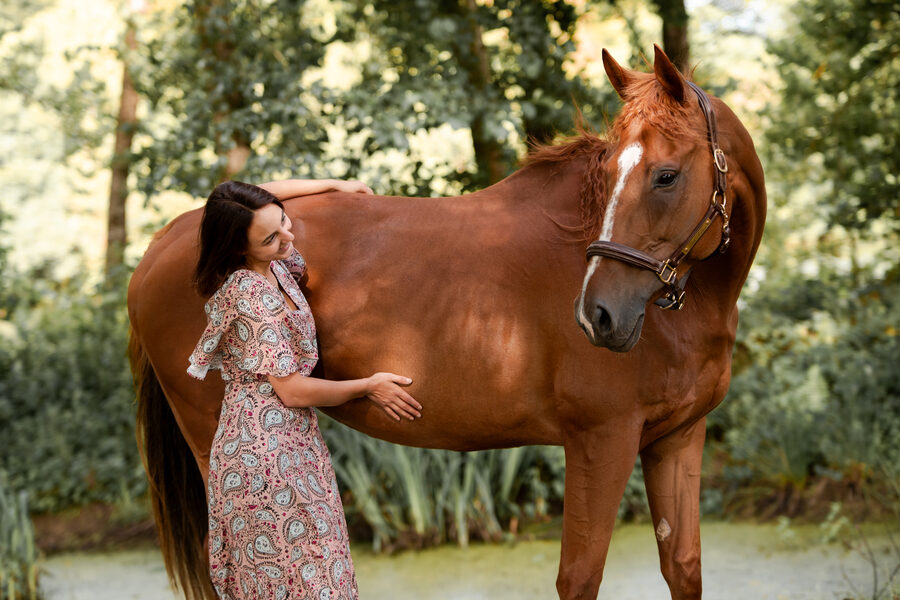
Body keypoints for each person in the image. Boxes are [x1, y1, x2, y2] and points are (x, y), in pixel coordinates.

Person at [186, 179, 422, 600]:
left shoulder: (275, 264)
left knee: (322, 569)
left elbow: (254, 194)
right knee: (302, 582)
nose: (288, 238)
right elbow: (292, 391)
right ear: (239, 248)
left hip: (293, 444)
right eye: (271, 237)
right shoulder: (251, 298)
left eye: (284, 222)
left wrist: (334, 184)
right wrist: (369, 386)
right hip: (260, 455)